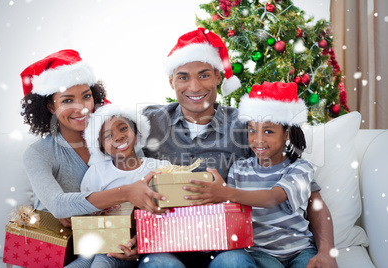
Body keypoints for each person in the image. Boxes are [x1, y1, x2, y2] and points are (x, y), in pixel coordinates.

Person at [142, 28, 338, 267]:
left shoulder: (247, 124)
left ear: (217, 76)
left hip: (224, 246)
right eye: (183, 77)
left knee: (233, 262)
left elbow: (309, 197)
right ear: (171, 81)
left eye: (203, 75)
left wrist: (326, 250)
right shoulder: (147, 122)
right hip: (167, 243)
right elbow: (104, 142)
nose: (194, 87)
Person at [20, 49, 167, 267]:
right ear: (51, 106)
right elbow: (59, 206)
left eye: (86, 96)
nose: (82, 108)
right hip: (63, 248)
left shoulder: (117, 139)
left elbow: (146, 190)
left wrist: (142, 242)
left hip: (115, 245)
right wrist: (125, 192)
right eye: (68, 100)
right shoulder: (38, 154)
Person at [190, 81, 318, 267]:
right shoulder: (239, 169)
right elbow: (233, 213)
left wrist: (225, 192)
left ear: (286, 134)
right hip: (259, 252)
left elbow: (273, 197)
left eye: (268, 131)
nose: (258, 139)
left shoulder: (300, 168)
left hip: (299, 250)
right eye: (252, 130)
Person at [76, 103, 171, 267]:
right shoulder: (97, 173)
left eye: (123, 128)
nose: (118, 137)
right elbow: (86, 215)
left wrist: (143, 242)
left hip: (153, 246)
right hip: (111, 246)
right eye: (107, 136)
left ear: (136, 132)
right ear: (101, 147)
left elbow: (174, 211)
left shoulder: (159, 168)